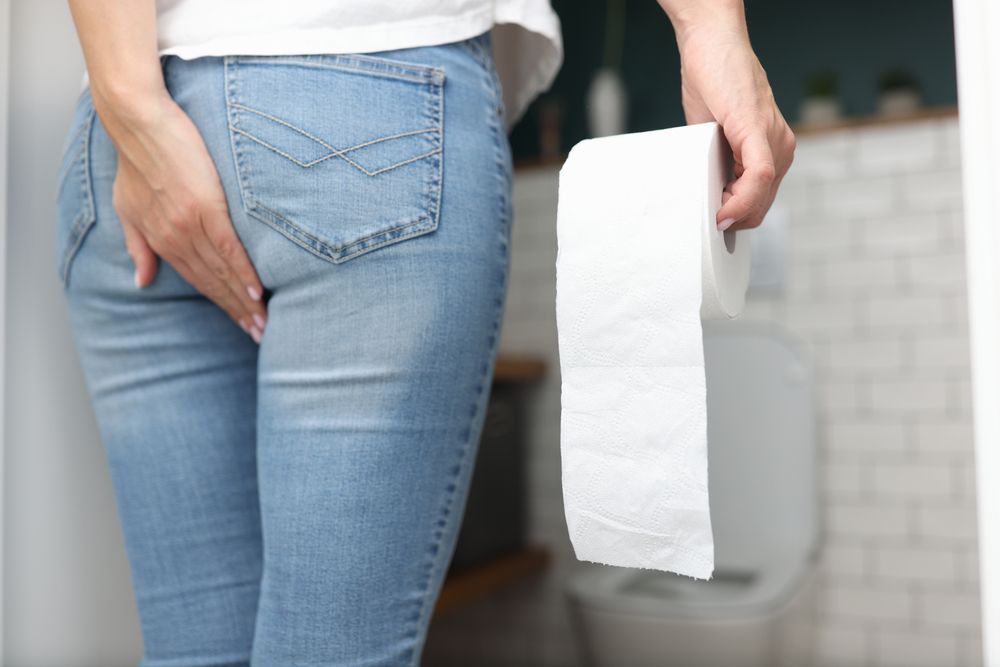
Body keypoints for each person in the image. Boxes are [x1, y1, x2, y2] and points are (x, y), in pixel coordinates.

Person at [55, 0, 794, 665]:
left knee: (192, 652)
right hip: (369, 104)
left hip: (119, 158)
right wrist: (710, 26)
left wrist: (133, 107)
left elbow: (131, 92)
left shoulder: (132, 116)